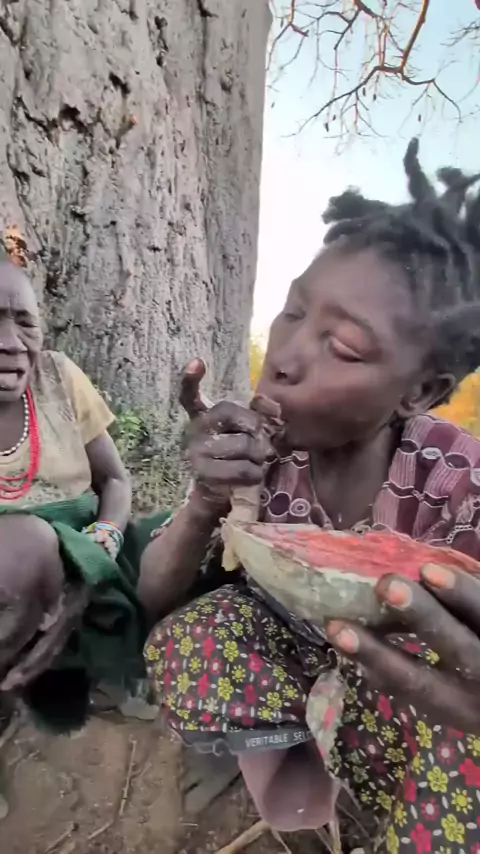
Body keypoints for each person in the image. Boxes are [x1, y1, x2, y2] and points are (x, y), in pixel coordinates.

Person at [140, 140, 480, 851]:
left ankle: (374, 772)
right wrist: (206, 499)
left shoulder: (458, 478)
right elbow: (153, 597)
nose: (286, 358)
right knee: (190, 637)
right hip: (294, 643)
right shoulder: (259, 455)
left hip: (408, 683)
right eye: (293, 313)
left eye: (344, 347)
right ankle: (298, 748)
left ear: (419, 392)